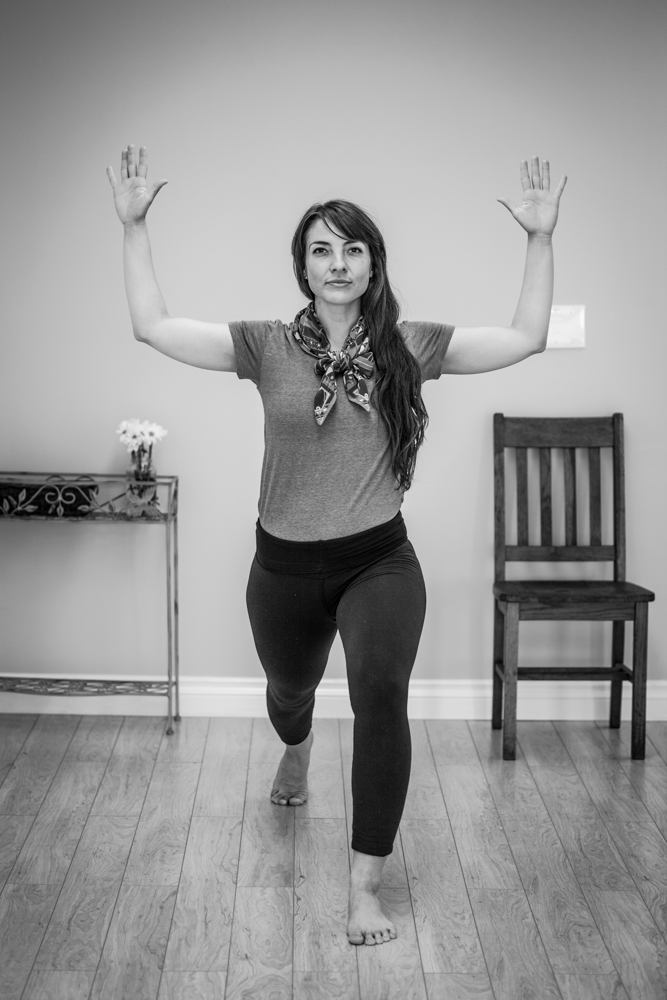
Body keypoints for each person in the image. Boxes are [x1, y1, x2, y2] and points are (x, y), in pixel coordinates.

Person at [107, 145, 566, 947]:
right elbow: (152, 327)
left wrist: (539, 238)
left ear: (372, 263)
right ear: (303, 267)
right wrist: (134, 226)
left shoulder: (408, 345)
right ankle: (295, 746)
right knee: (288, 694)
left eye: (352, 248)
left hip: (377, 561)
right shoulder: (265, 346)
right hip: (282, 566)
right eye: (321, 249)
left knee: (380, 694)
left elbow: (526, 337)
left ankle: (364, 886)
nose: (338, 262)